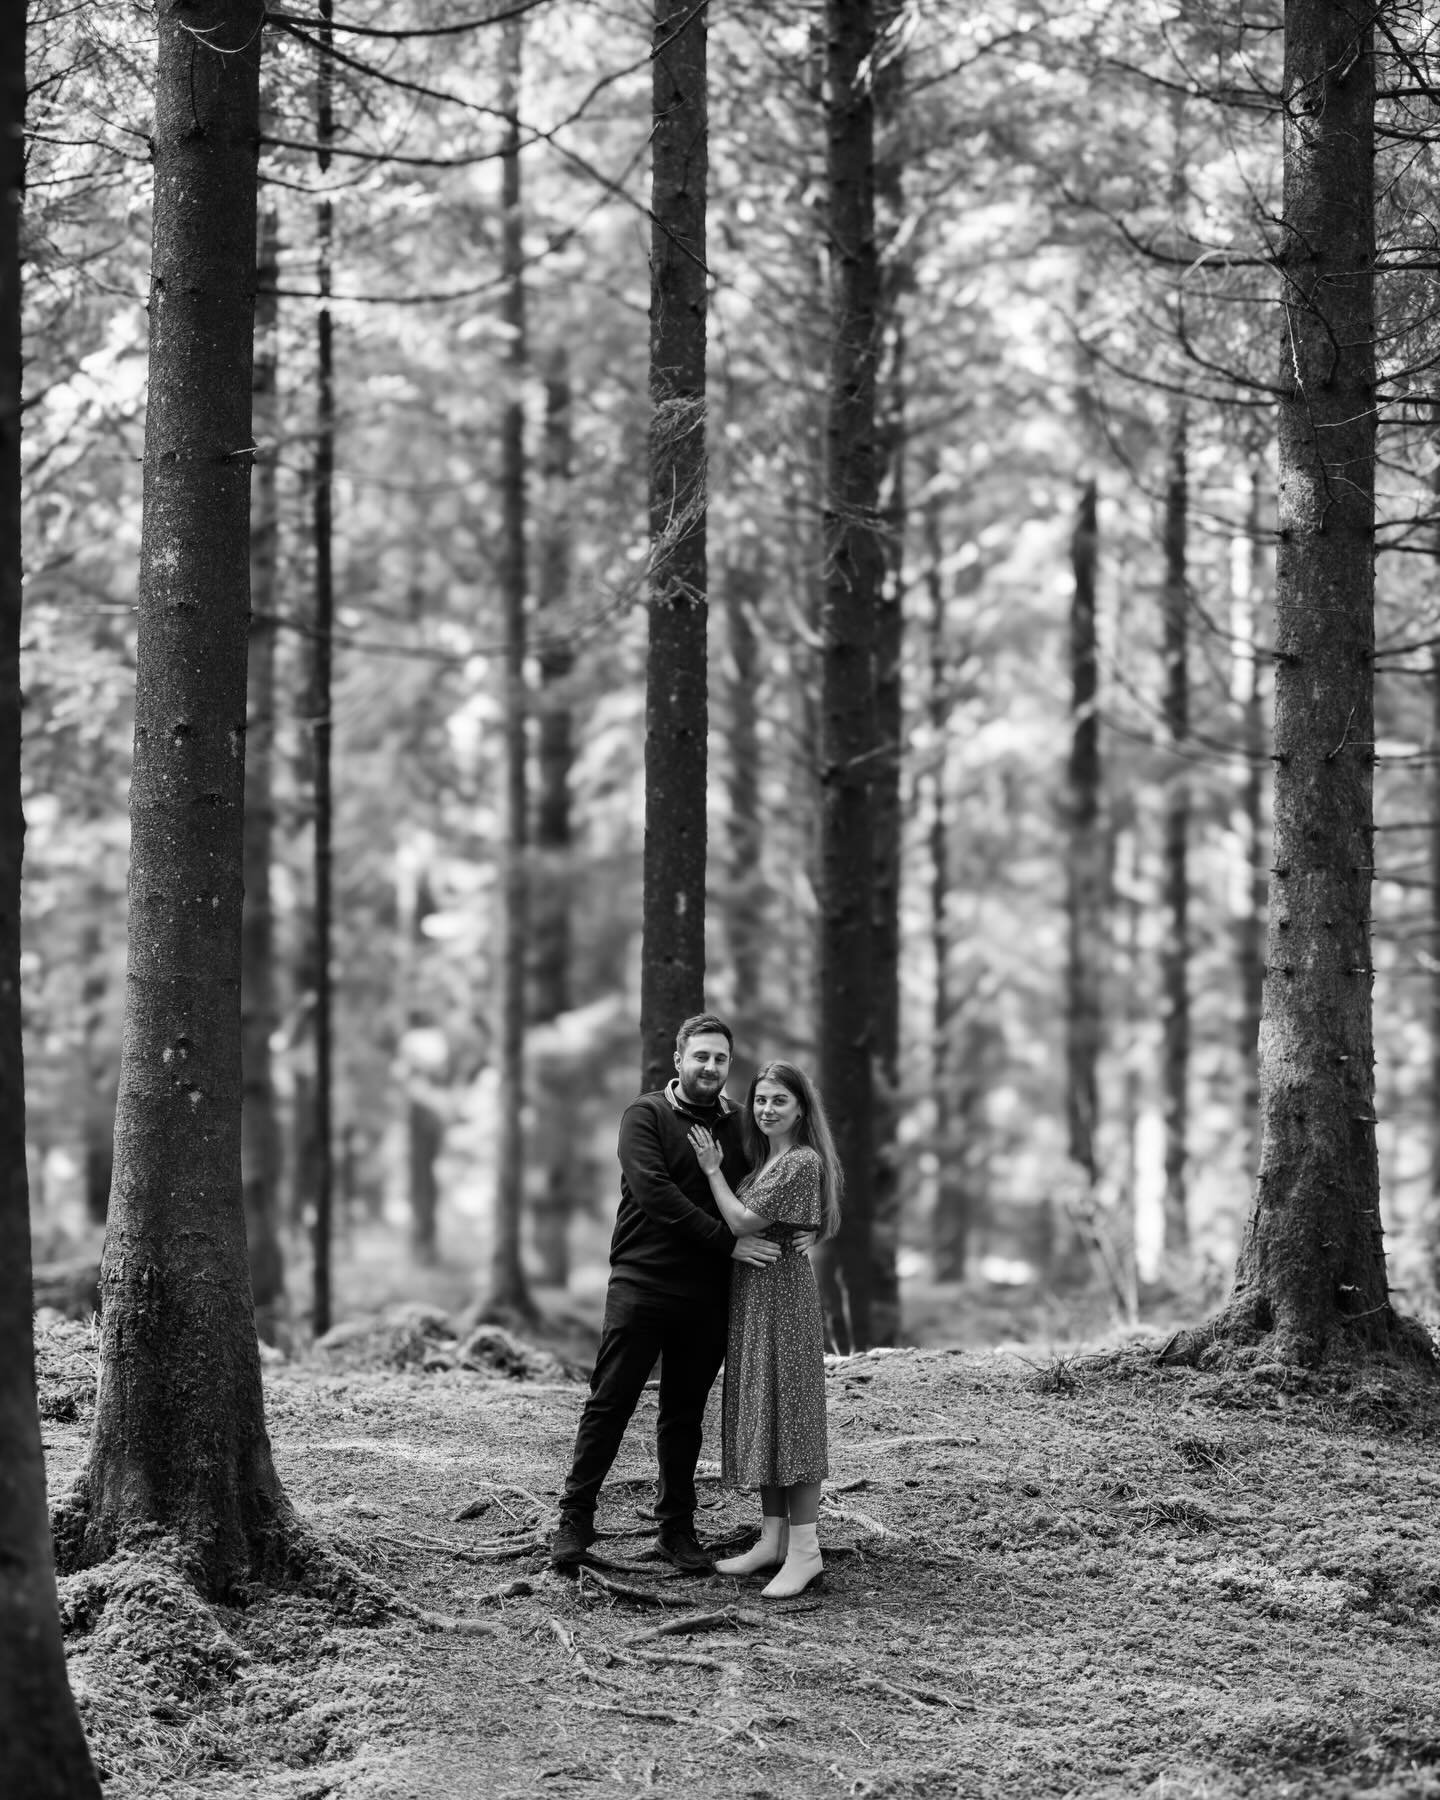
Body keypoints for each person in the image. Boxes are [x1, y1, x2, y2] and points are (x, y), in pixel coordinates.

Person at [549, 1014, 791, 1573]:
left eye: (721, 1059)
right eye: (701, 1056)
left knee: (684, 1413)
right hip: (643, 1282)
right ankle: (574, 1519)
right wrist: (725, 1243)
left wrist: (795, 1224)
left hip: (709, 1293)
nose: (710, 1067)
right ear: (679, 1059)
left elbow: (765, 1185)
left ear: (730, 1066)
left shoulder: (740, 1125)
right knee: (611, 1401)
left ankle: (676, 1529)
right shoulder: (646, 1115)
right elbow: (654, 1193)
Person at [688, 1059, 843, 1600]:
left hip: (784, 1304)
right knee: (767, 1413)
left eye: (779, 1099)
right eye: (760, 1100)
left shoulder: (799, 1160)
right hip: (757, 1300)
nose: (767, 1109)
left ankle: (806, 1551)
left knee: (792, 1419)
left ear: (801, 1106)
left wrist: (711, 1169)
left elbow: (742, 1222)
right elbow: (803, 1220)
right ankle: (772, 1540)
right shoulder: (766, 1162)